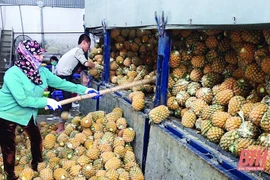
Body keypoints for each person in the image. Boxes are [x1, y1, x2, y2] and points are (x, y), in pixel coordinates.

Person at [0, 40, 100, 180]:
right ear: (26, 55)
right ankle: (10, 176)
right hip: (7, 113)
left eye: (41, 55)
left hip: (28, 113)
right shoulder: (12, 74)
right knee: (8, 146)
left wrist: (84, 90)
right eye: (38, 55)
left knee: (36, 139)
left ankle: (36, 167)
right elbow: (22, 100)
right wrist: (46, 101)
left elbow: (61, 83)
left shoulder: (42, 72)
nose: (41, 58)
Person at [56, 33, 96, 133]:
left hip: (64, 76)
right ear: (84, 42)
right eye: (88, 45)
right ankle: (60, 127)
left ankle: (63, 124)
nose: (89, 48)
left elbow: (82, 67)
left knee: (68, 101)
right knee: (67, 103)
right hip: (64, 78)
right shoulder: (78, 51)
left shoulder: (74, 51)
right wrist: (96, 65)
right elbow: (86, 63)